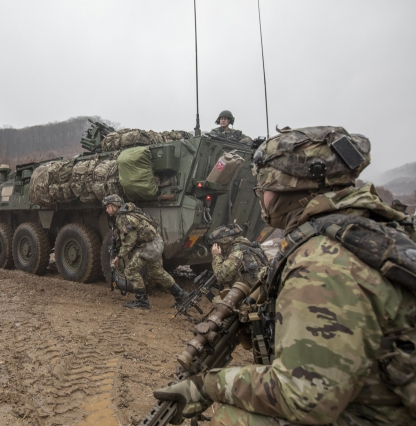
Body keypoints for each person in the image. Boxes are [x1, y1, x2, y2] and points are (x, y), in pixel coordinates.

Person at [153, 126, 416, 425]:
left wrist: (205, 386)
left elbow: (304, 396)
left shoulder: (322, 262)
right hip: (382, 395)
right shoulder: (365, 228)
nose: (260, 196)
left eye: (262, 187)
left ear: (286, 189)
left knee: (232, 418)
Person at [103, 194, 189, 310]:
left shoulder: (124, 218)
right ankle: (181, 295)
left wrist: (119, 257)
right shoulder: (130, 212)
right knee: (156, 272)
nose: (107, 209)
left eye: (108, 206)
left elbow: (130, 241)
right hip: (155, 243)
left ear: (116, 206)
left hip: (149, 247)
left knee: (130, 271)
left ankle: (142, 301)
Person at [207, 224, 267, 290]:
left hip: (252, 292)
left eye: (216, 244)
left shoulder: (236, 254)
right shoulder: (244, 245)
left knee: (216, 300)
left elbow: (221, 278)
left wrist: (216, 255)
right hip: (258, 288)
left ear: (223, 242)